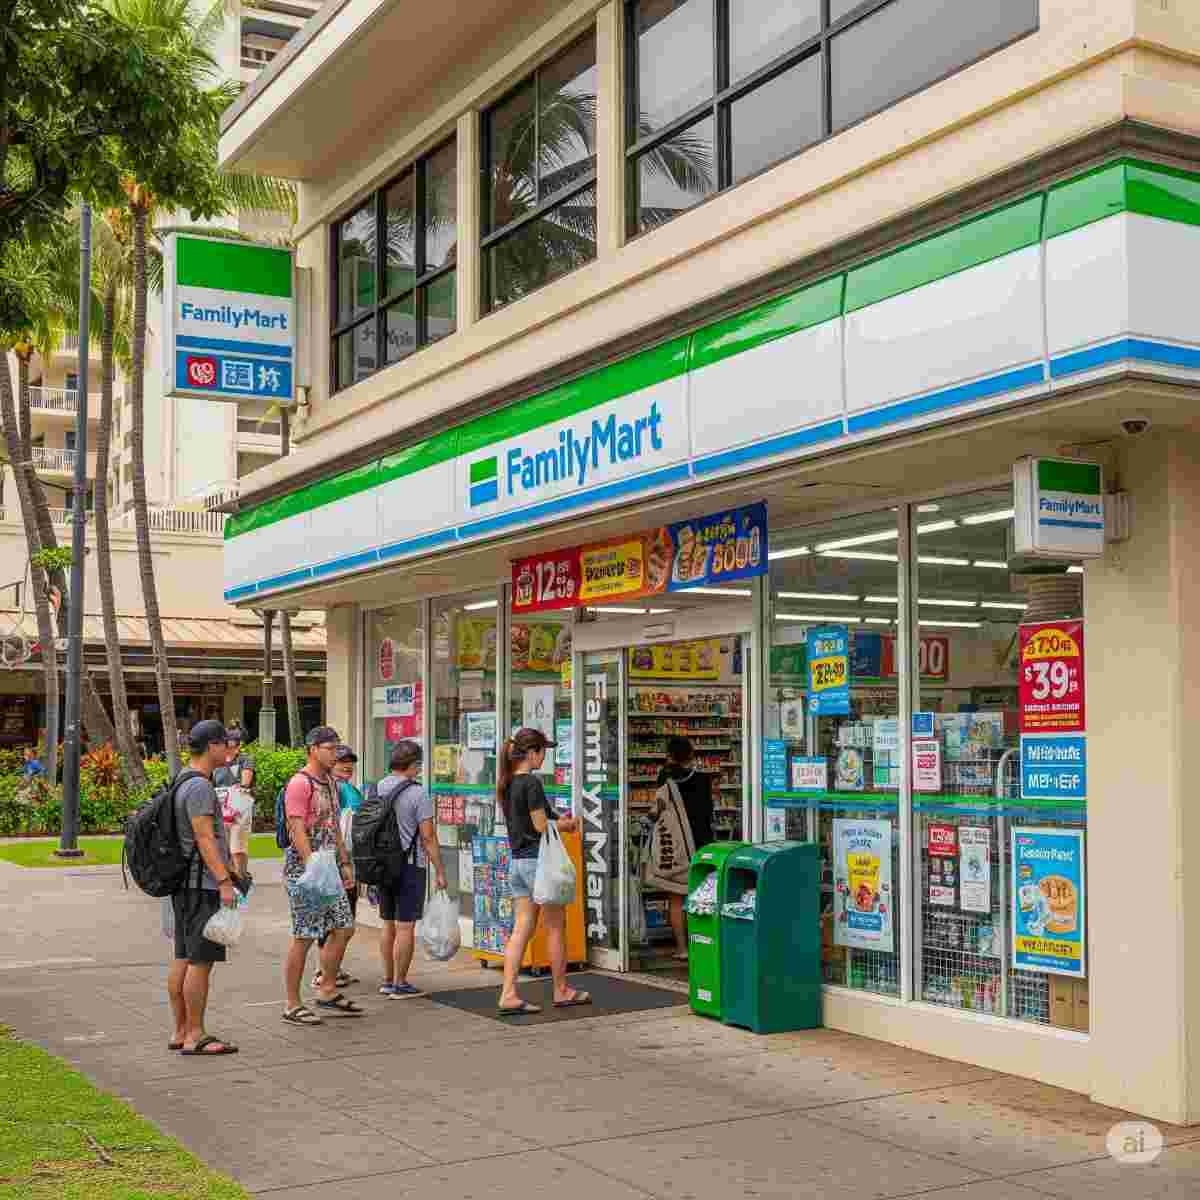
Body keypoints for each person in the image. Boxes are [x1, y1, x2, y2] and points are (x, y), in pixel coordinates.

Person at [496, 728, 589, 1015]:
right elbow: (539, 825)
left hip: (518, 863)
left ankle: (508, 993)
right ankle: (561, 990)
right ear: (532, 752)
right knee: (555, 927)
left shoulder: (507, 783)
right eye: (542, 751)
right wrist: (566, 825)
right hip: (539, 863)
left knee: (521, 928)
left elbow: (541, 817)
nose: (544, 757)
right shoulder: (531, 782)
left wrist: (559, 819)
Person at [167, 720, 242, 1056]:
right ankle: (195, 1034)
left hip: (185, 883)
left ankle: (181, 1030)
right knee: (200, 961)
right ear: (212, 745)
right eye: (225, 743)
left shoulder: (181, 778)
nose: (229, 749)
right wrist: (224, 880)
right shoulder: (199, 786)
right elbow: (204, 837)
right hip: (201, 885)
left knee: (183, 956)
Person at [281, 726, 362, 1025]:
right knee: (304, 935)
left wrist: (344, 862)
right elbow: (296, 828)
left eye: (336, 748)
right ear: (313, 748)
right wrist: (311, 865)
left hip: (329, 866)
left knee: (344, 927)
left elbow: (334, 826)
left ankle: (327, 988)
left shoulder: (330, 782)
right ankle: (292, 1004)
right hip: (305, 870)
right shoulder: (299, 784)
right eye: (329, 748)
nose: (334, 754)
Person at [375, 739, 447, 998]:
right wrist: (440, 870)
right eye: (419, 765)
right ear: (413, 764)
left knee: (388, 924)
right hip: (409, 865)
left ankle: (387, 980)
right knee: (405, 927)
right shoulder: (418, 793)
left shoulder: (378, 787)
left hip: (383, 865)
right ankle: (400, 983)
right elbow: (428, 836)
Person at [655, 735, 715, 960]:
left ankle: (682, 948)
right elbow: (708, 812)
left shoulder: (664, 778)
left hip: (676, 844)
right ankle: (703, 945)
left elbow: (660, 808)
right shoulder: (703, 779)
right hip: (701, 842)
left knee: (676, 899)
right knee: (702, 895)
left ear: (670, 755)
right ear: (690, 754)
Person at [313, 745, 363, 990]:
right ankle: (324, 973)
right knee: (339, 923)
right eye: (342, 761)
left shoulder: (334, 787)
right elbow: (349, 830)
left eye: (351, 761)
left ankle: (330, 970)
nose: (347, 765)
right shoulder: (339, 789)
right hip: (339, 864)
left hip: (335, 863)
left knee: (336, 921)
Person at [213, 729, 255, 878]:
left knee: (237, 847)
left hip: (239, 809)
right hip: (221, 809)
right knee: (223, 846)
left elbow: (246, 782)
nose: (231, 748)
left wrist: (238, 790)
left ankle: (240, 877)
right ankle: (230, 876)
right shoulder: (218, 763)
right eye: (227, 745)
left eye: (234, 745)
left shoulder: (245, 760)